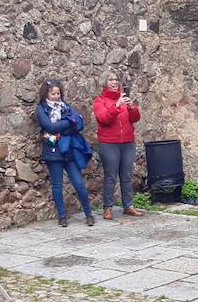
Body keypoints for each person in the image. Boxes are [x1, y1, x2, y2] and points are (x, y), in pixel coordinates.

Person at [35, 79, 95, 228]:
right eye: (53, 93)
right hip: (53, 151)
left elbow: (79, 123)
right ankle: (62, 216)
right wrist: (69, 122)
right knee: (57, 185)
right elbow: (49, 126)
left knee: (79, 184)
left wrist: (64, 124)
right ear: (46, 94)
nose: (56, 96)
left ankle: (89, 214)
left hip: (68, 151)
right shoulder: (41, 109)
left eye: (58, 93)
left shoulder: (66, 106)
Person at [92, 74, 145, 221]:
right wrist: (116, 105)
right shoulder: (100, 101)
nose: (115, 82)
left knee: (126, 175)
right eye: (111, 80)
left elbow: (135, 118)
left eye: (116, 80)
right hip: (109, 143)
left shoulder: (124, 98)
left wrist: (132, 107)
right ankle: (107, 207)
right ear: (104, 83)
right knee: (110, 176)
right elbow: (104, 119)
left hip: (127, 142)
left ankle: (128, 206)